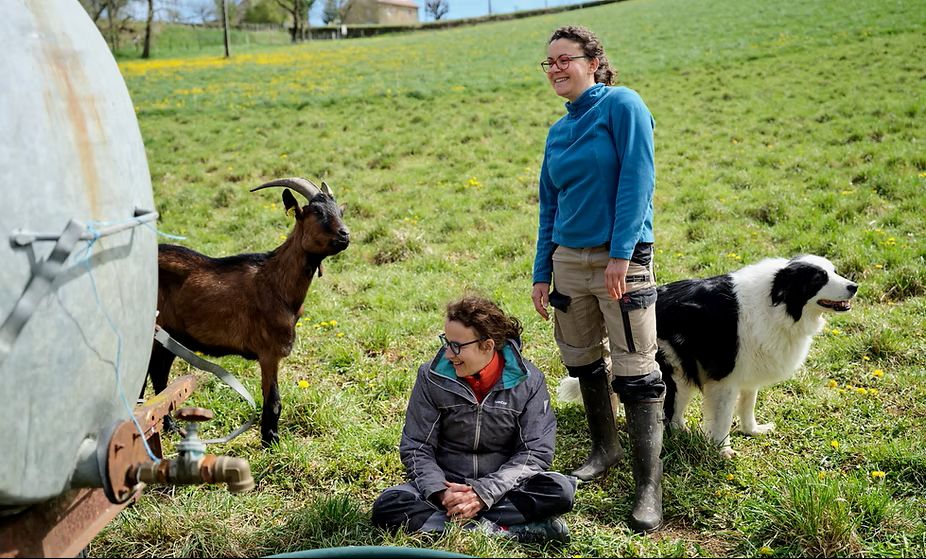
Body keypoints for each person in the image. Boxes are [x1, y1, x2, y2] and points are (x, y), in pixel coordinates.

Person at [530, 25, 665, 533]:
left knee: (636, 370)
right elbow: (550, 205)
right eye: (549, 63)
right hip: (568, 260)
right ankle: (604, 450)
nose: (556, 69)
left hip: (620, 261)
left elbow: (638, 179)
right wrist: (543, 270)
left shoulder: (622, 106)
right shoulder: (558, 131)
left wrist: (621, 253)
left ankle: (648, 486)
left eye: (565, 59)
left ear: (592, 61)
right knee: (582, 360)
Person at [371, 296, 576, 543]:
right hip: (446, 488)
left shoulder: (530, 381)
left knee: (560, 490)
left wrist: (482, 493)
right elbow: (416, 446)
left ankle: (446, 525)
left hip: (503, 489)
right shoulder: (430, 377)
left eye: (457, 346)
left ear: (487, 345)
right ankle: (503, 531)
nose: (448, 354)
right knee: (388, 505)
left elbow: (535, 452)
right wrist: (441, 492)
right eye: (446, 342)